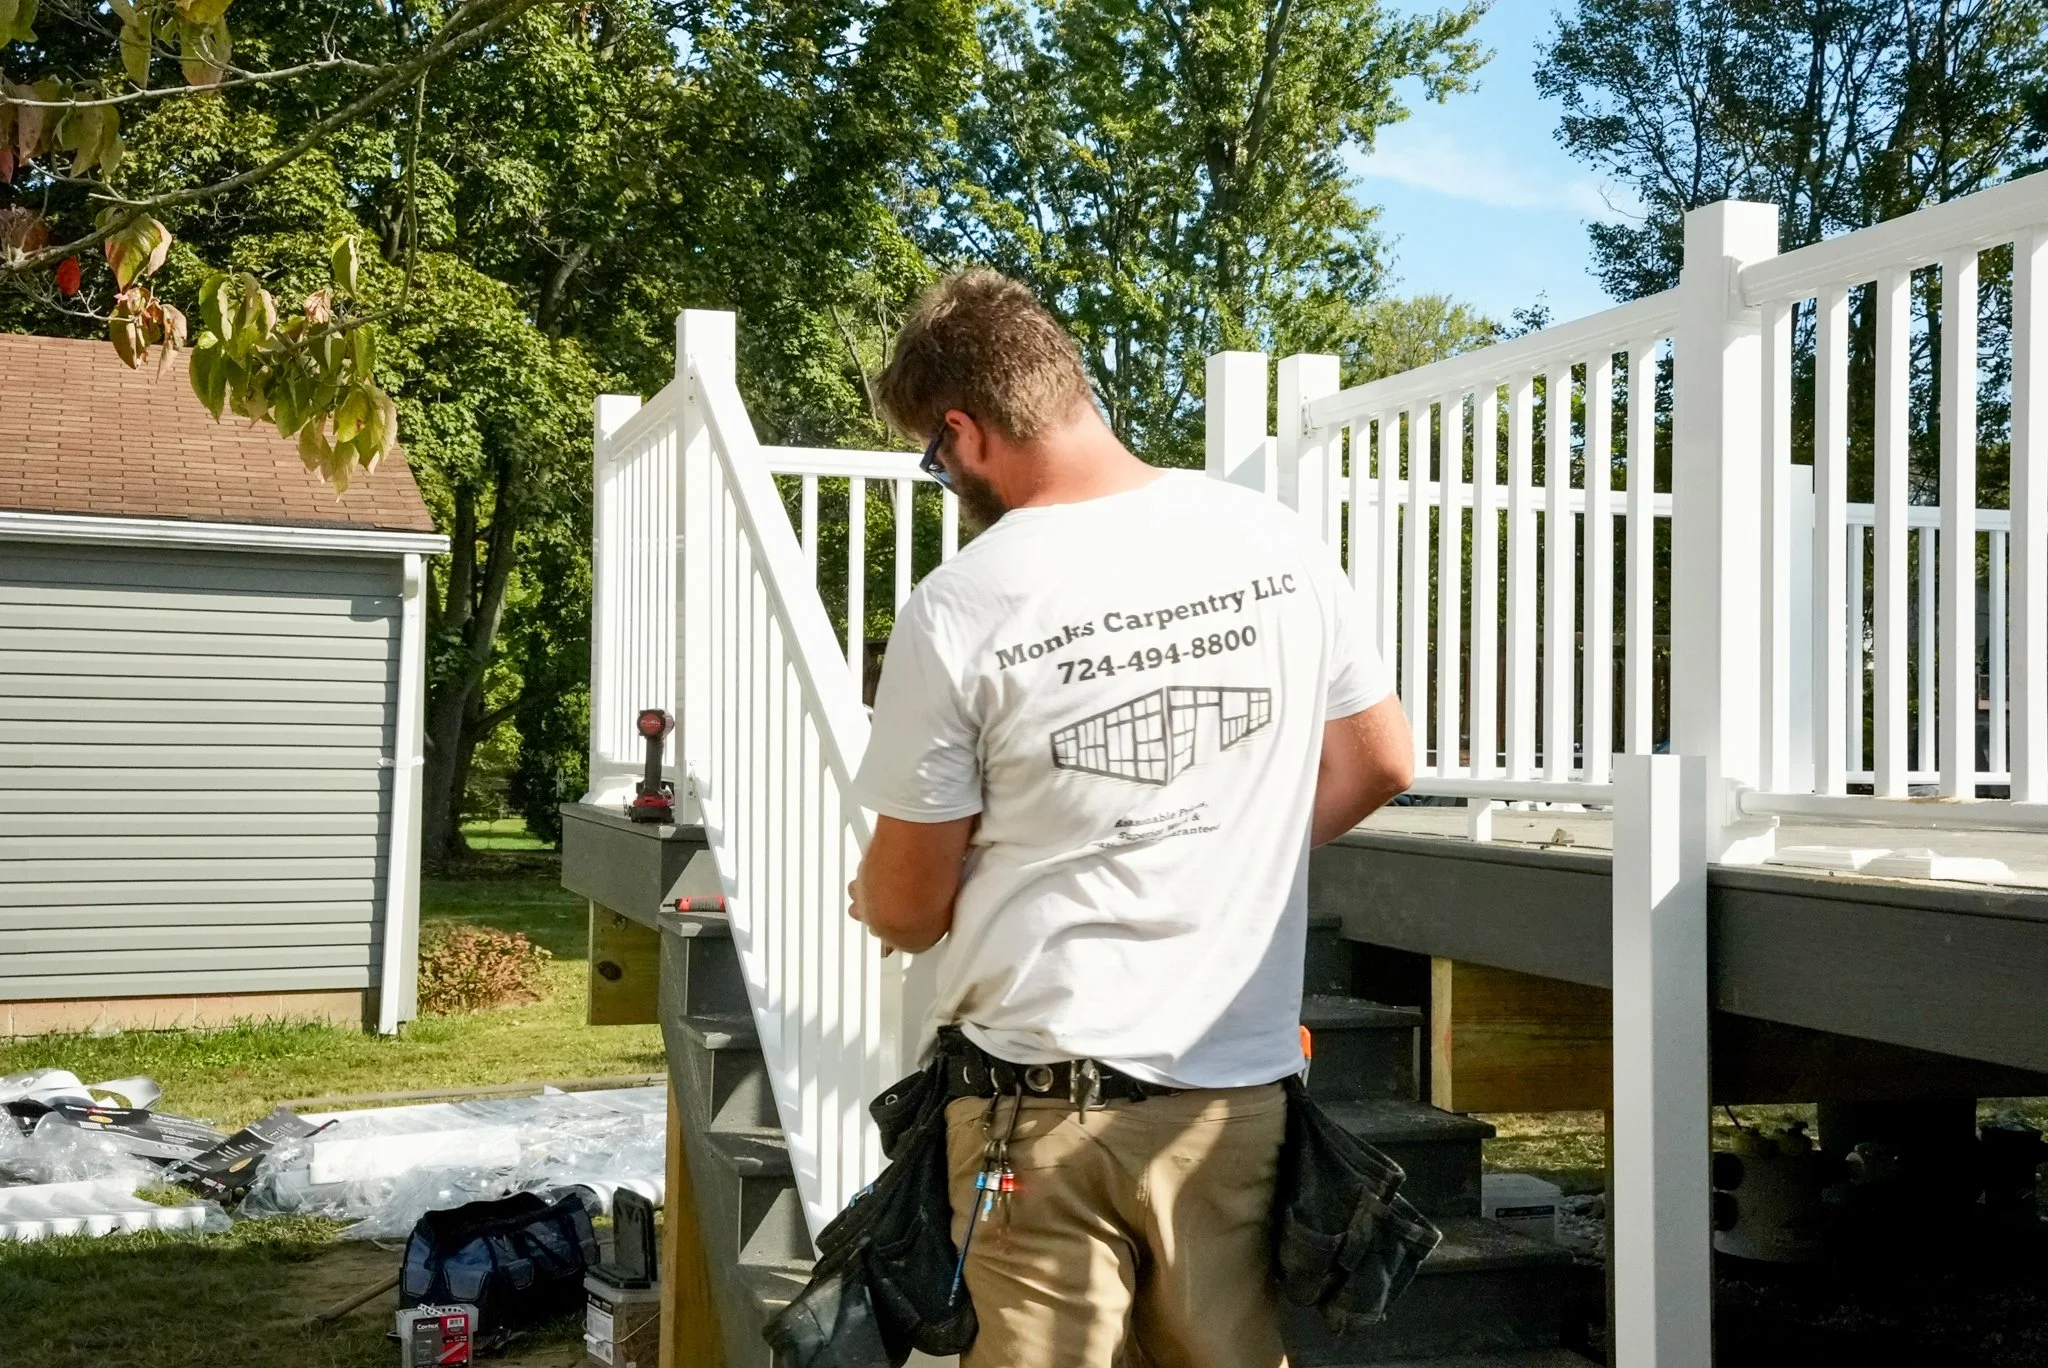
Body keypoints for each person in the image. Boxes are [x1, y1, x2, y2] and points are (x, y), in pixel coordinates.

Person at [846, 269, 1414, 1368]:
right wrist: (1220, 842)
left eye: (932, 453)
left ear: (962, 429)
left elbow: (910, 907)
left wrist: (876, 897)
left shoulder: (964, 600)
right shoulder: (1272, 540)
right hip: (1234, 1103)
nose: (944, 474)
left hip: (1034, 1119)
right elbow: (1383, 759)